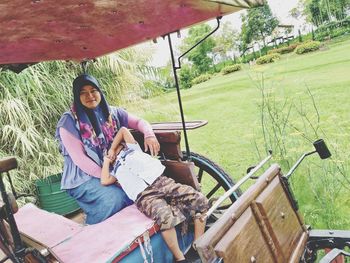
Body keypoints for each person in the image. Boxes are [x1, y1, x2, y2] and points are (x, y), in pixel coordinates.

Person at [55, 74, 160, 224]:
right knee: (116, 198)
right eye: (83, 93)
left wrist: (149, 135)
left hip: (112, 168)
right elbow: (80, 160)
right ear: (76, 96)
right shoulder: (69, 121)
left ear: (100, 91)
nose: (89, 96)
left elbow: (139, 122)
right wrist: (112, 178)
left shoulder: (112, 112)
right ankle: (94, 230)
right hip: (83, 177)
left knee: (138, 189)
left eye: (93, 90)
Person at [101, 126, 209, 263]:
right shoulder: (115, 172)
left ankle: (197, 244)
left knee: (198, 199)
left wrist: (112, 147)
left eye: (113, 150)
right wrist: (106, 161)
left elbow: (123, 130)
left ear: (121, 146)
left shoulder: (132, 150)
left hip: (161, 182)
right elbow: (104, 180)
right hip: (145, 196)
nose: (111, 153)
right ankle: (180, 258)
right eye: (107, 154)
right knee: (164, 217)